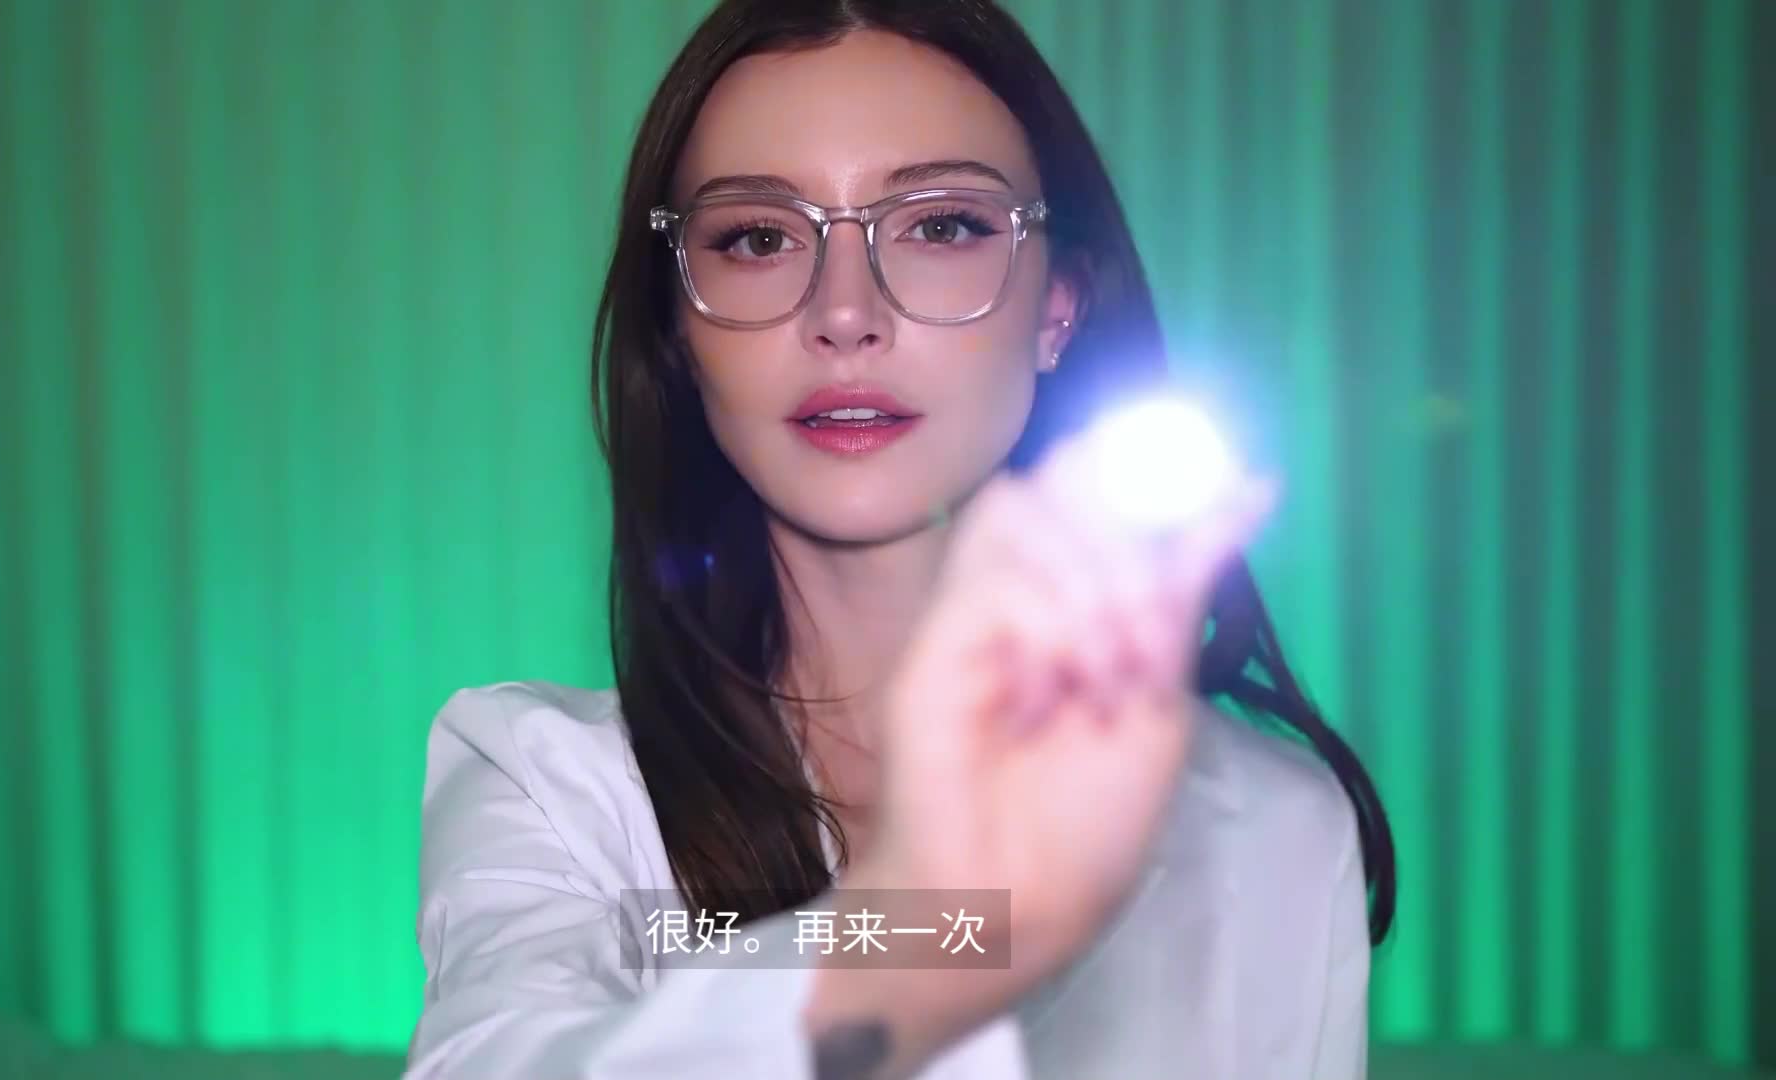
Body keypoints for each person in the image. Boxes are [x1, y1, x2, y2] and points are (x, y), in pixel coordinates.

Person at [403, 1, 1396, 1077]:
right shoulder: (548, 787)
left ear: (1058, 305)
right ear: (680, 334)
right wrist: (920, 935)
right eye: (758, 238)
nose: (844, 313)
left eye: (941, 226)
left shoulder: (1274, 826)